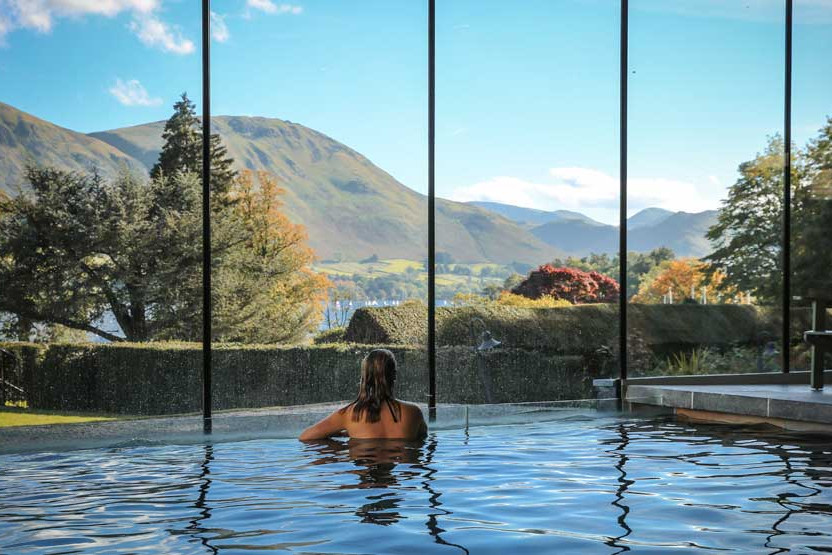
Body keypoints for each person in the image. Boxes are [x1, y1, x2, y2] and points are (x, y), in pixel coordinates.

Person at [299, 349, 427, 441]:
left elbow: (305, 437)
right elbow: (422, 439)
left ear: (364, 376)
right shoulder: (413, 412)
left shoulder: (350, 414)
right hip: (404, 472)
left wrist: (343, 448)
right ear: (394, 375)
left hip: (365, 467)